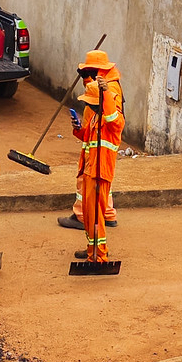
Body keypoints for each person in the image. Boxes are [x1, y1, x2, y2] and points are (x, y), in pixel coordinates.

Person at [64, 49, 124, 260]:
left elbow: (114, 120)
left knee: (97, 217)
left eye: (90, 104)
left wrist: (106, 94)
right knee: (90, 216)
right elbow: (87, 137)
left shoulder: (110, 116)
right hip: (90, 170)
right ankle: (92, 250)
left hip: (100, 172)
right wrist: (77, 128)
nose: (87, 106)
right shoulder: (94, 119)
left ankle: (100, 256)